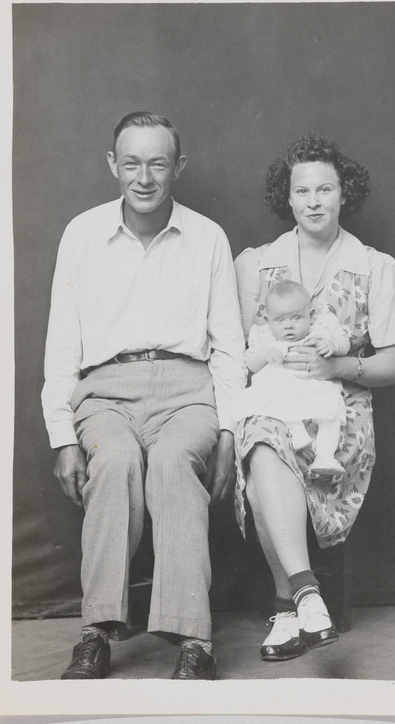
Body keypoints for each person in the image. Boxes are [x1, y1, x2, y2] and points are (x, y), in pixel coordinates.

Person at [42, 111, 246, 680]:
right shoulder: (81, 234)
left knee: (175, 464)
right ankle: (97, 632)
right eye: (131, 162)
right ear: (113, 165)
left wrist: (229, 429)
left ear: (178, 166)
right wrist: (64, 435)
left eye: (158, 162)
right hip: (105, 393)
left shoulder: (207, 236)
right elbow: (63, 341)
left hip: (188, 392)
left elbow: (228, 344)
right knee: (116, 461)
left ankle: (194, 642)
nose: (145, 177)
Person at [234, 134, 395, 662]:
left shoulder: (375, 266)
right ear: (285, 198)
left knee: (266, 458)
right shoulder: (256, 265)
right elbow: (248, 354)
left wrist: (335, 364)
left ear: (342, 194)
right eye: (301, 190)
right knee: (262, 440)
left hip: (340, 414)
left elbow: (394, 367)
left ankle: (286, 608)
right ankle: (309, 598)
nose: (313, 201)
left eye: (324, 189)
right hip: (273, 401)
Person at [232, 279, 350, 476]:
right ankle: (296, 430)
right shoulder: (263, 335)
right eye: (280, 320)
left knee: (331, 410)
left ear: (310, 315)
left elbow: (344, 343)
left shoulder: (321, 327)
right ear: (269, 320)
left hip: (314, 387)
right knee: (269, 401)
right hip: (279, 388)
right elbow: (250, 362)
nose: (288, 326)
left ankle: (325, 455)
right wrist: (265, 356)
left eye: (296, 318)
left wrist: (333, 346)